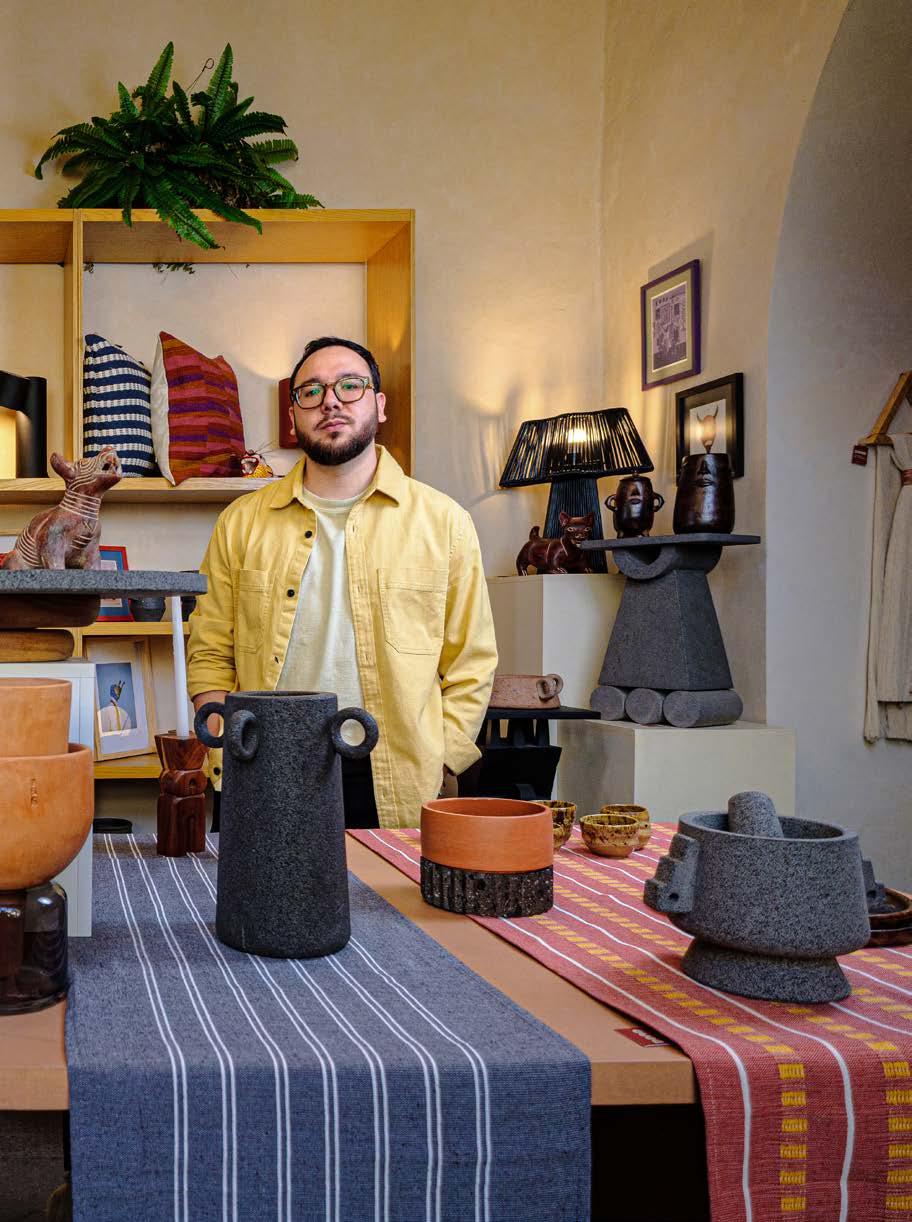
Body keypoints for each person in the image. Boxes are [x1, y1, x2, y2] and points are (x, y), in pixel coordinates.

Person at [187, 336, 498, 829]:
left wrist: (443, 757)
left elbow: (471, 661)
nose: (330, 401)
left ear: (379, 404)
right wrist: (223, 736)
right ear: (293, 416)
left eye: (349, 386)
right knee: (252, 886)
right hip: (261, 763)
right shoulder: (241, 522)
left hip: (391, 774)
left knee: (390, 886)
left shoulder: (445, 523)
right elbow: (209, 648)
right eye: (311, 391)